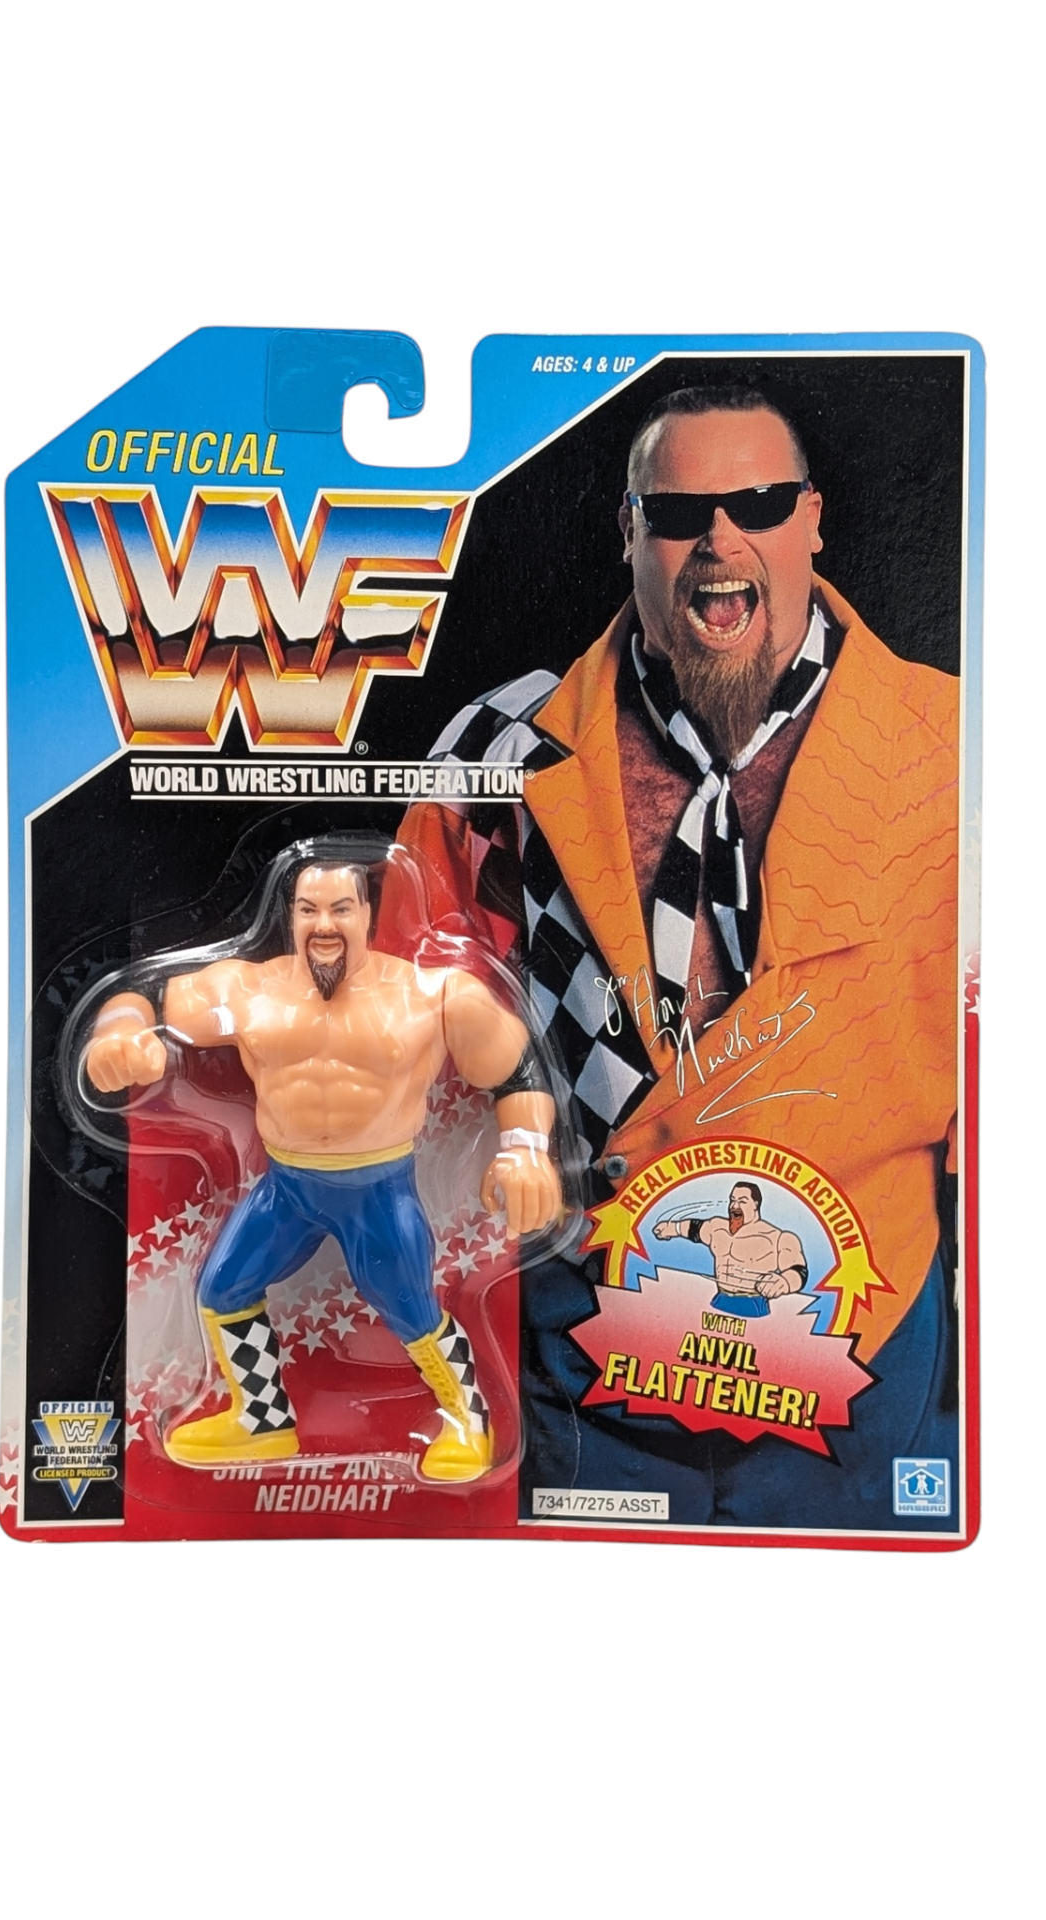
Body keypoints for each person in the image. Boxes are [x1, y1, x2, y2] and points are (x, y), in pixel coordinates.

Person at [393, 385, 960, 1530]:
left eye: (759, 503)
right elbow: (401, 1018)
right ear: (630, 532)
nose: (721, 539)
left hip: (866, 1344)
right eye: (680, 512)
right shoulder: (499, 749)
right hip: (584, 1345)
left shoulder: (958, 746)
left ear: (813, 521)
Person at [85, 853, 560, 1481]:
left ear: (368, 914)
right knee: (223, 1286)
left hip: (378, 1191)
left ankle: (468, 1421)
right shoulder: (250, 991)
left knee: (411, 1307)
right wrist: (118, 1035)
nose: (324, 924)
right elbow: (143, 995)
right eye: (309, 909)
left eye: (340, 908)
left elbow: (517, 1069)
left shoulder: (432, 995)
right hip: (288, 1188)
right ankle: (262, 1419)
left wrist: (525, 1148)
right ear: (290, 917)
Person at [654, 1181, 807, 1318]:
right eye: (733, 1200)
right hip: (719, 1301)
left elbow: (799, 1270)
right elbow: (694, 1228)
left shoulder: (777, 1238)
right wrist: (671, 1228)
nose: (734, 1206)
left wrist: (784, 1282)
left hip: (753, 1306)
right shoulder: (717, 1228)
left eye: (742, 1201)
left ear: (755, 1204)